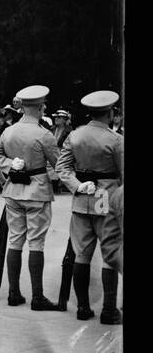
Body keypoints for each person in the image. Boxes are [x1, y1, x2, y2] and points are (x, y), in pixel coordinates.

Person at [0, 84, 64, 311]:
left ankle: (13, 292)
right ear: (39, 108)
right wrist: (51, 175)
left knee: (15, 240)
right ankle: (37, 297)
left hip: (13, 191)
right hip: (37, 192)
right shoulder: (44, 134)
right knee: (36, 243)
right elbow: (59, 164)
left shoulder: (8, 132)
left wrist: (11, 164)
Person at [55, 89, 123, 324]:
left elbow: (62, 169)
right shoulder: (116, 140)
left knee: (81, 254)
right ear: (110, 112)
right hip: (107, 197)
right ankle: (109, 310)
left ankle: (83, 307)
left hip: (82, 198)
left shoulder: (74, 136)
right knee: (108, 255)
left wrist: (77, 185)